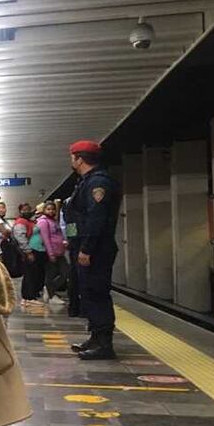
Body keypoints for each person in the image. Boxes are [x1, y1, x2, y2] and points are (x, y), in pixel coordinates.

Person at [65, 140, 121, 360]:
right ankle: (96, 338)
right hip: (84, 246)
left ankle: (105, 344)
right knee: (88, 293)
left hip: (95, 249)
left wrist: (86, 249)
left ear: (79, 159)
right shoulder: (86, 182)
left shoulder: (98, 182)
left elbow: (96, 218)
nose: (71, 161)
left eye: (72, 157)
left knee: (97, 293)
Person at [37, 200, 67, 305]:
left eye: (53, 209)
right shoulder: (43, 222)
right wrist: (50, 254)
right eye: (48, 209)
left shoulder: (54, 221)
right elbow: (45, 239)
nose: (51, 211)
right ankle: (51, 295)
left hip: (60, 252)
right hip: (51, 253)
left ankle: (49, 289)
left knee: (65, 273)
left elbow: (59, 234)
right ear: (44, 210)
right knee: (50, 274)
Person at [12, 203, 41, 303]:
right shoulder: (21, 222)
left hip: (30, 250)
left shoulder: (28, 221)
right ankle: (28, 296)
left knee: (31, 273)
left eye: (28, 209)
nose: (27, 211)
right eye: (24, 210)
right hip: (25, 252)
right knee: (29, 274)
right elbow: (21, 238)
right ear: (20, 211)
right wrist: (28, 252)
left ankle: (30, 295)